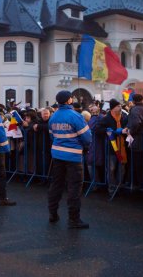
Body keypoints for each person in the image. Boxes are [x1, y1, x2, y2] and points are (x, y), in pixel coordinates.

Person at [48, 90, 92, 229]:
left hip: (57, 155)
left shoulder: (53, 117)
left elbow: (52, 136)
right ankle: (74, 219)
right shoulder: (76, 116)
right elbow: (87, 138)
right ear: (68, 101)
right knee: (74, 187)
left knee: (56, 185)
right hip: (73, 156)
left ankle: (53, 214)